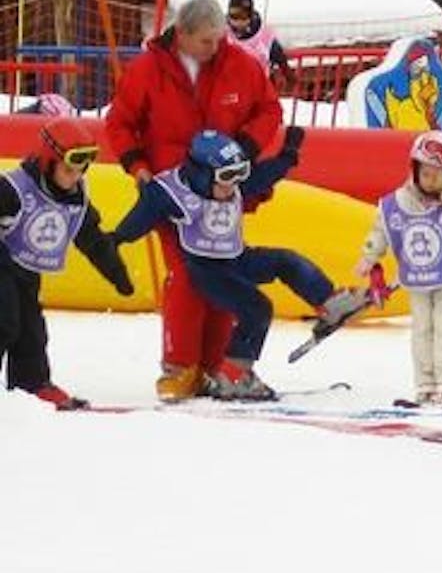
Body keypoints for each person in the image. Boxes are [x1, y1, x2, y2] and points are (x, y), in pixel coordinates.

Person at [103, 0, 282, 402]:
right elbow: (120, 124)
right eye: (206, 41)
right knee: (188, 274)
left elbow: (269, 111)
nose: (216, 48)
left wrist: (244, 152)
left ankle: (215, 364)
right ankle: (179, 366)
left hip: (223, 193)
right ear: (181, 35)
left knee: (223, 273)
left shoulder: (241, 65)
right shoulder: (147, 70)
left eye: (220, 39)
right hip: (173, 191)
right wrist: (138, 168)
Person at [107, 128, 363, 401]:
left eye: (240, 174)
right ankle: (234, 374)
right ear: (201, 174)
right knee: (258, 308)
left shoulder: (232, 183)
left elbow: (264, 175)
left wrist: (288, 155)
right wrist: (113, 240)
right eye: (227, 177)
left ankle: (329, 303)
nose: (235, 184)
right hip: (206, 271)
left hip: (236, 258)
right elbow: (141, 217)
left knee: (285, 261)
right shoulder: (173, 193)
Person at [0, 117, 135, 410]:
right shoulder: (13, 189)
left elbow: (93, 240)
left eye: (82, 170)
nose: (76, 177)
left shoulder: (76, 201)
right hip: (2, 263)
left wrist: (117, 274)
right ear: (49, 161)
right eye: (69, 169)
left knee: (31, 330)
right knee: (4, 320)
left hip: (26, 271)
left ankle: (31, 384)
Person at [356, 131, 442, 406]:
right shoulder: (397, 203)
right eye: (426, 174)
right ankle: (426, 382)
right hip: (416, 279)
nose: (430, 181)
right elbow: (381, 229)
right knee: (422, 330)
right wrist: (370, 259)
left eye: (438, 175)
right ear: (415, 170)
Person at [223, 0, 291, 86]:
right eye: (234, 16)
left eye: (243, 17)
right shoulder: (222, 32)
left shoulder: (264, 35)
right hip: (233, 88)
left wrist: (288, 75)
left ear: (250, 16)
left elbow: (279, 56)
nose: (238, 22)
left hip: (259, 87)